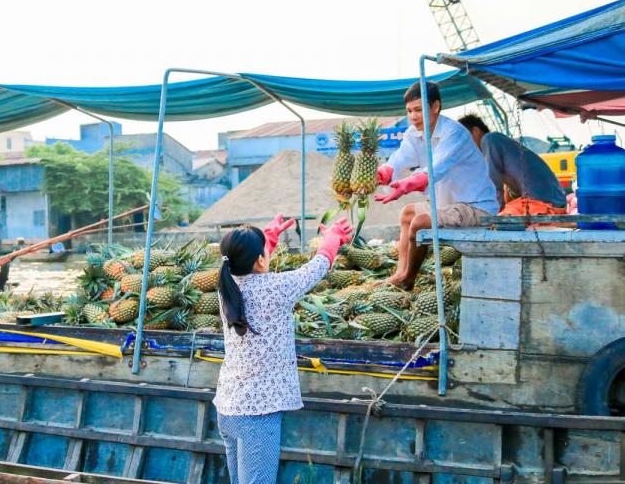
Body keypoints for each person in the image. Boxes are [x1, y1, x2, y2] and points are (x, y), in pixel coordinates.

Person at [213, 214, 353, 484]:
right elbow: (317, 267)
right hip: (257, 414)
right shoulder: (275, 288)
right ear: (260, 260)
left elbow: (251, 266)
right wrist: (332, 238)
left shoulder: (227, 289)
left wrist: (269, 239)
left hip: (228, 407)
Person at [374, 82, 498, 289]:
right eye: (409, 111)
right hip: (447, 204)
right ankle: (399, 273)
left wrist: (406, 184)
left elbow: (435, 168)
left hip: (475, 206)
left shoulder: (454, 133)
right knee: (407, 214)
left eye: (418, 109)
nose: (413, 116)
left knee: (421, 221)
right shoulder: (413, 134)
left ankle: (408, 278)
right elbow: (401, 157)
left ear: (435, 107)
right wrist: (386, 171)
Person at [457, 114, 567, 215]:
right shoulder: (498, 142)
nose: (463, 145)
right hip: (555, 200)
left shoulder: (489, 139)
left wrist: (492, 215)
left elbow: (493, 185)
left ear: (476, 131)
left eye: (464, 138)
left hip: (544, 204)